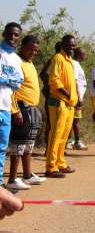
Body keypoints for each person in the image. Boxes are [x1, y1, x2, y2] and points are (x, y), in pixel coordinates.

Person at [7, 36, 46, 190]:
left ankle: (27, 175)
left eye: (36, 50)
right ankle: (12, 179)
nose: (33, 52)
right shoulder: (16, 62)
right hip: (21, 108)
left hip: (32, 108)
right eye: (31, 49)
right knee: (18, 145)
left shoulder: (30, 63)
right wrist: (16, 110)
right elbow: (11, 88)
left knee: (29, 144)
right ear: (22, 46)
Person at [46, 34, 78, 178]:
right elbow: (54, 80)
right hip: (59, 102)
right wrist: (69, 95)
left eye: (73, 45)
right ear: (62, 44)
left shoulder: (70, 61)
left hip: (69, 105)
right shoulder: (58, 58)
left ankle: (60, 162)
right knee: (56, 134)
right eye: (69, 44)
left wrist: (73, 99)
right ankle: (51, 167)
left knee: (64, 136)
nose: (71, 47)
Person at [0, 23, 24, 190]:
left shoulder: (16, 59)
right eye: (10, 34)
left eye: (16, 35)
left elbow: (19, 81)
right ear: (4, 34)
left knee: (2, 148)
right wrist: (8, 80)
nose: (13, 37)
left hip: (6, 108)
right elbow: (10, 80)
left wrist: (9, 80)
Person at [40, 42, 61, 148]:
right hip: (52, 97)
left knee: (56, 123)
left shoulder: (60, 60)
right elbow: (43, 74)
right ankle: (48, 148)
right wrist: (49, 88)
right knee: (51, 122)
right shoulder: (55, 59)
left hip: (58, 97)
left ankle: (53, 148)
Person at [67, 47, 87, 150]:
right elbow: (74, 81)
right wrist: (78, 97)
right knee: (75, 121)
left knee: (74, 120)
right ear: (79, 54)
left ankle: (71, 141)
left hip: (78, 96)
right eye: (84, 54)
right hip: (76, 98)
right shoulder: (74, 64)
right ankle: (74, 142)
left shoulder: (76, 64)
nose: (85, 56)